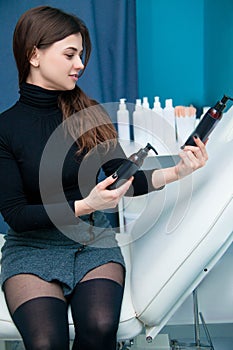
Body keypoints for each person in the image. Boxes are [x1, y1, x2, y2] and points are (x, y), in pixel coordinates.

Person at [0, 5, 208, 350]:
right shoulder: (6, 129)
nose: (80, 64)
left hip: (91, 244)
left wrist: (178, 170)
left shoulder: (88, 114)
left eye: (81, 54)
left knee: (99, 327)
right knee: (45, 342)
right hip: (32, 248)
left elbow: (127, 179)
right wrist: (85, 204)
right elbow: (17, 217)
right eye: (70, 54)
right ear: (34, 55)